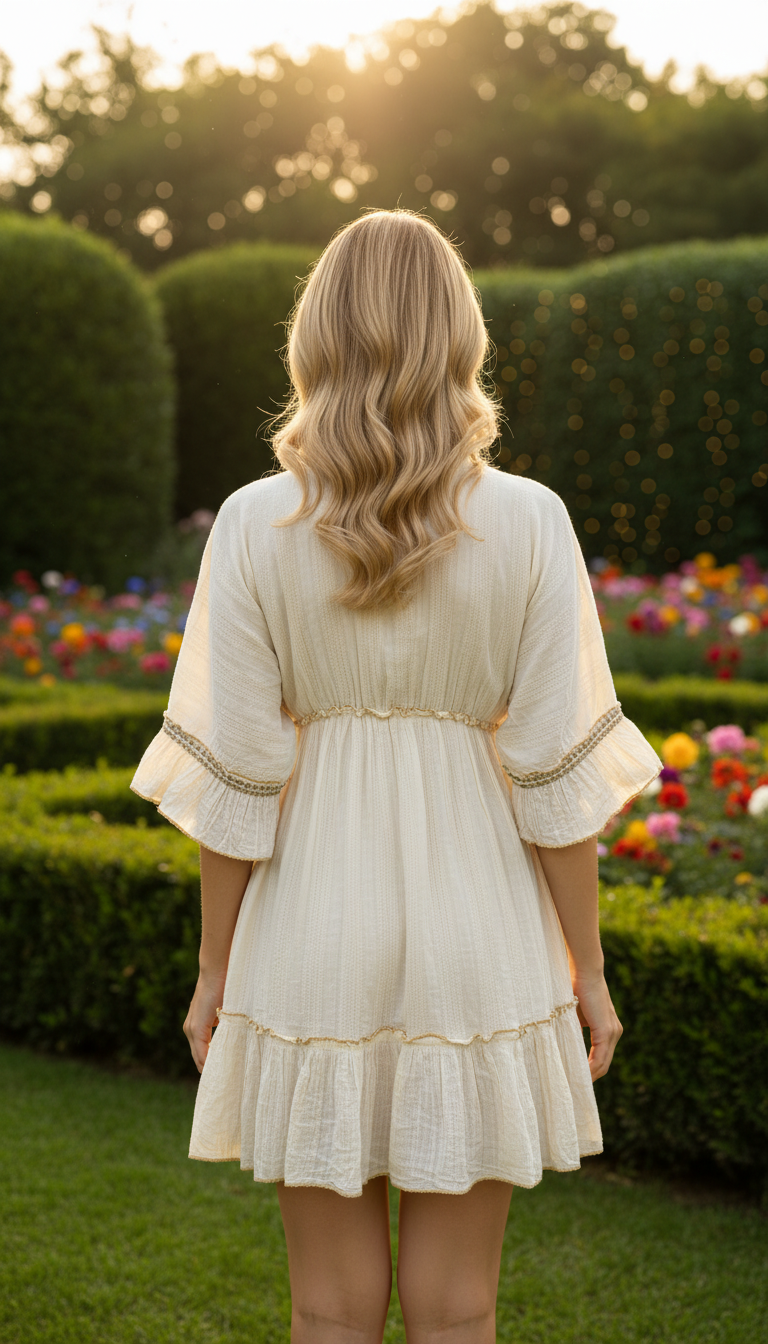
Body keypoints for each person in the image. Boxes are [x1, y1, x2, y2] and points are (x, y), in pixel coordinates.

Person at [131, 209, 661, 1343]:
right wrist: (591, 970)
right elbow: (554, 781)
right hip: (482, 935)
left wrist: (215, 968)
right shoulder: (529, 520)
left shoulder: (252, 522)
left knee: (327, 1311)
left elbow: (237, 779)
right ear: (460, 338)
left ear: (313, 336)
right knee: (459, 1310)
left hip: (309, 928)